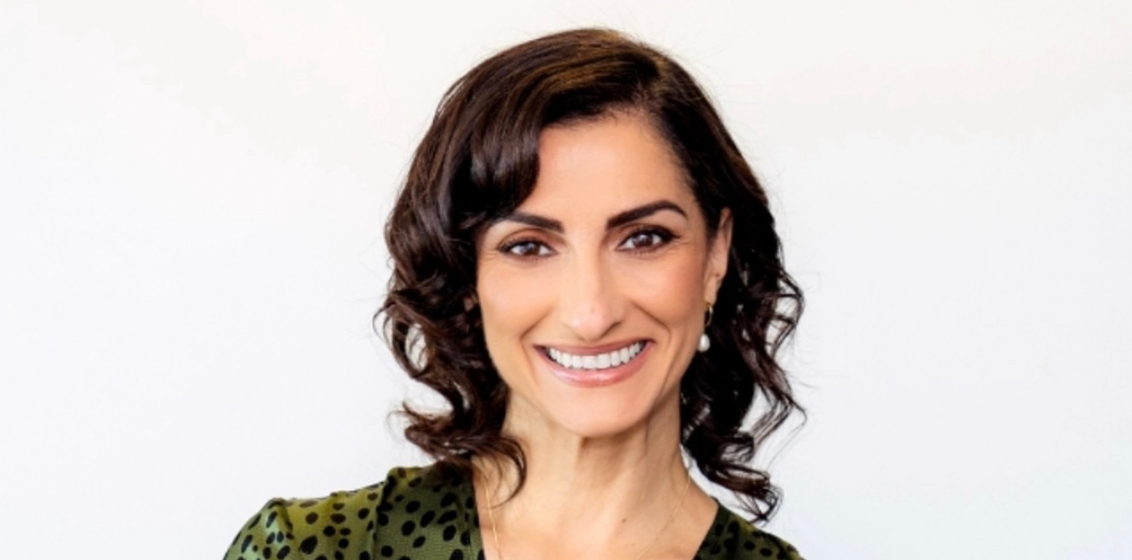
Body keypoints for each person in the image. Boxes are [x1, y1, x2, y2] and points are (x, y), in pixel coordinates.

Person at [224, 28, 805, 560]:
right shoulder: (307, 551)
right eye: (529, 247)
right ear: (465, 273)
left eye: (643, 238)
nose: (591, 313)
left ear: (715, 254)